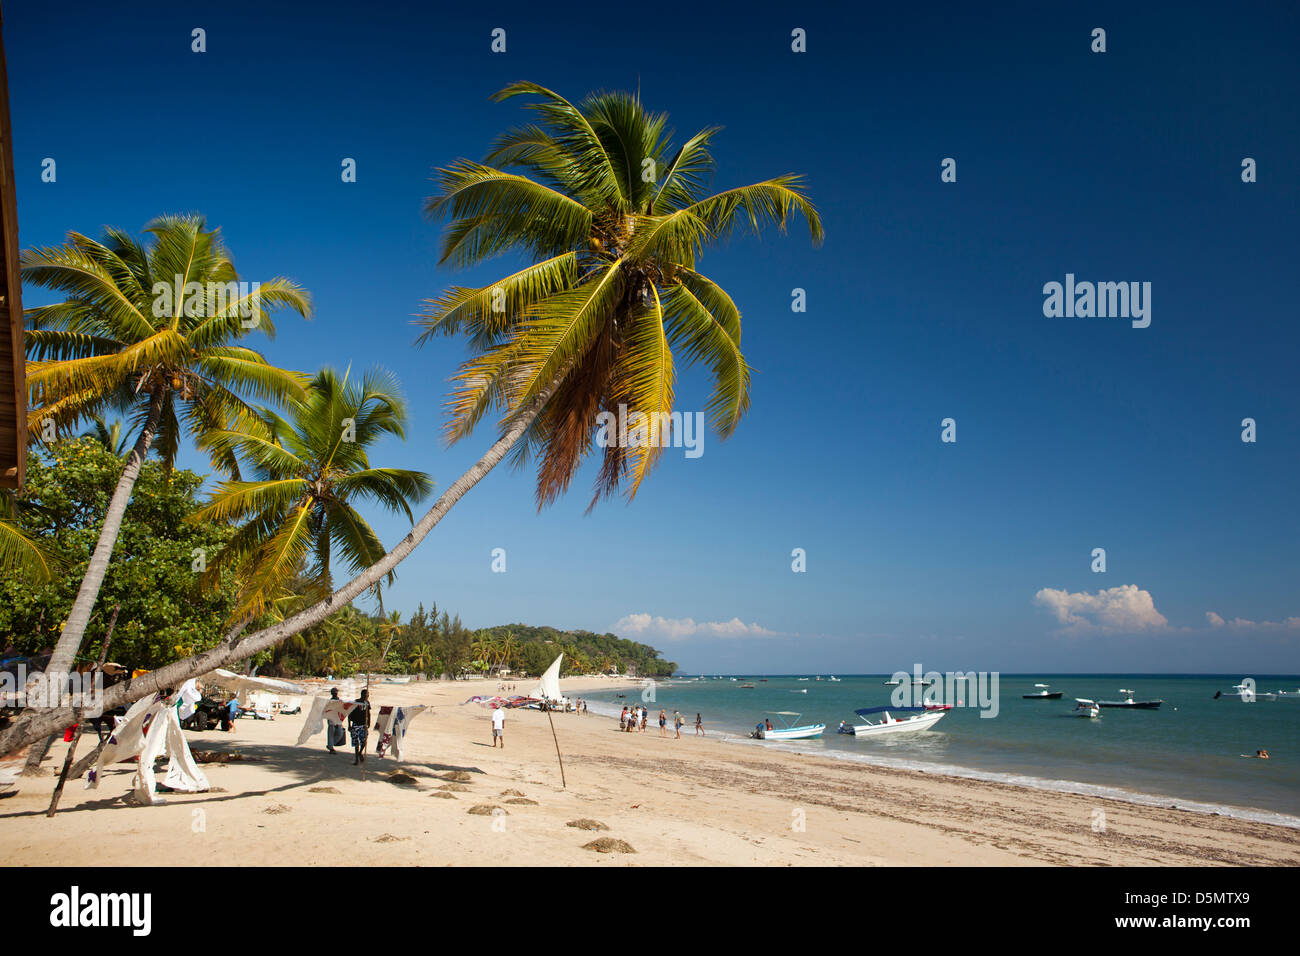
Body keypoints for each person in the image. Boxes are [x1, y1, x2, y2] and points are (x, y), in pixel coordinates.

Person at [349, 689, 371, 766]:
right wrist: (349, 725)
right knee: (356, 743)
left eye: (368, 695)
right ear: (362, 695)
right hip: (355, 724)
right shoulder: (356, 702)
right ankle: (356, 759)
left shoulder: (367, 703)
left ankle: (360, 752)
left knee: (364, 742)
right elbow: (350, 714)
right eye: (366, 695)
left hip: (363, 725)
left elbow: (368, 713)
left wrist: (368, 723)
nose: (367, 696)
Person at [326, 688, 341, 753]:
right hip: (331, 719)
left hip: (338, 719)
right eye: (333, 692)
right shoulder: (330, 701)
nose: (335, 693)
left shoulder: (339, 701)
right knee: (331, 733)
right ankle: (331, 748)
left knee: (340, 733)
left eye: (335, 692)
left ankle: (330, 745)